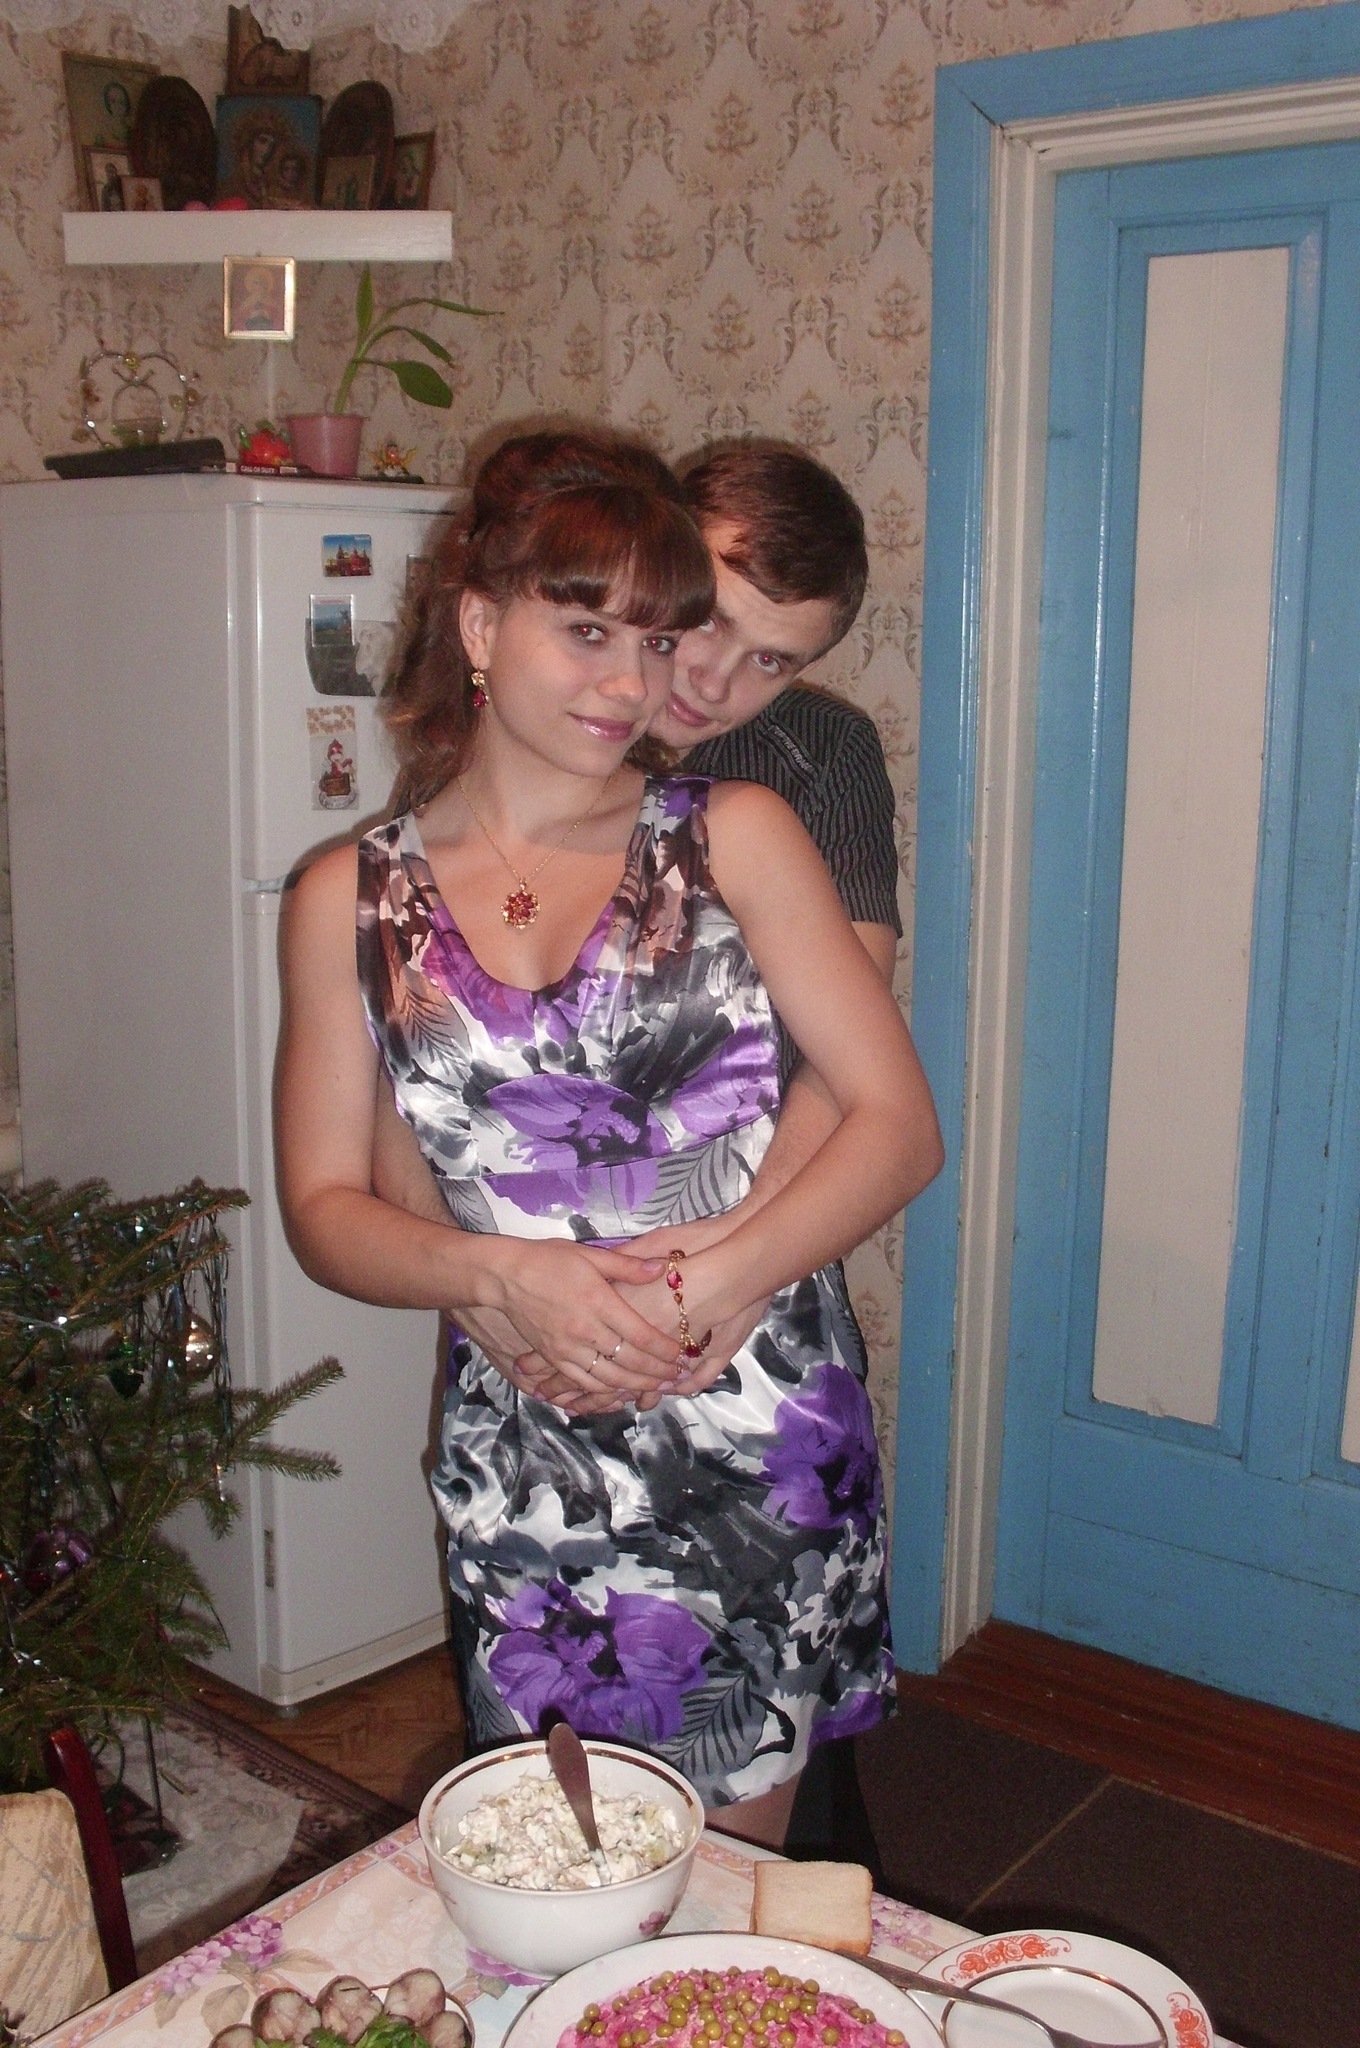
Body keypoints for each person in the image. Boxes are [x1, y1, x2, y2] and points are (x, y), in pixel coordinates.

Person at [277, 429, 943, 1848]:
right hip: (529, 1435)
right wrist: (494, 1279)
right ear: (478, 626)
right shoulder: (349, 896)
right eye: (588, 632)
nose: (634, 684)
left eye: (653, 641)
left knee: (722, 1902)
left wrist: (706, 1285)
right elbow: (330, 1205)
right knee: (555, 1862)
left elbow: (896, 1124)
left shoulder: (740, 831)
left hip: (750, 1421)